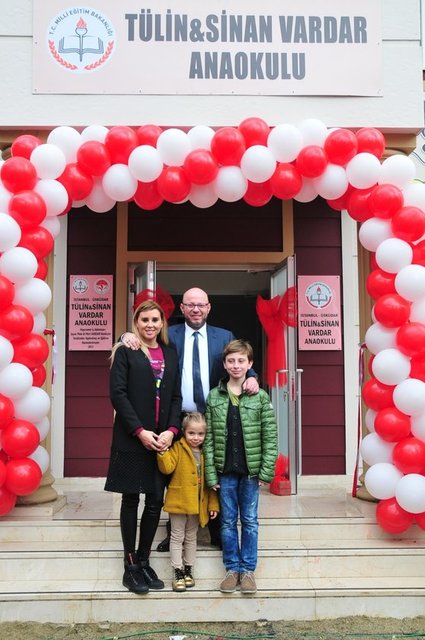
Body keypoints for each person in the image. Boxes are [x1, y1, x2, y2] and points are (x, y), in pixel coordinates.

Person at [121, 286, 259, 551]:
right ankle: (173, 531)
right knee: (177, 475)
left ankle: (216, 531)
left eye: (201, 305)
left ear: (208, 308)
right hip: (177, 416)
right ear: (182, 308)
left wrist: (252, 378)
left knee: (214, 471)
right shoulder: (169, 334)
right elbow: (144, 339)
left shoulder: (224, 336)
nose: (196, 309)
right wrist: (125, 335)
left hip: (214, 416)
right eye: (190, 305)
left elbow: (239, 359)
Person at [105, 299, 182, 595]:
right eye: (144, 319)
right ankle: (130, 566)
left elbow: (175, 396)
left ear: (162, 323)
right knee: (130, 500)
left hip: (161, 441)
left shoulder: (171, 353)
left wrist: (172, 431)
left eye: (155, 320)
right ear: (136, 323)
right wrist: (139, 431)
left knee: (154, 502)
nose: (150, 325)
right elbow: (118, 394)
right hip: (132, 437)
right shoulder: (126, 351)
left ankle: (144, 560)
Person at [204, 339, 278, 595]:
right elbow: (209, 440)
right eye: (231, 361)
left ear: (250, 364)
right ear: (224, 365)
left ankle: (247, 570)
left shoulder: (261, 397)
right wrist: (211, 473)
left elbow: (270, 437)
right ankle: (231, 568)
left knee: (249, 521)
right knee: (227, 522)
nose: (236, 365)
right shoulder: (214, 396)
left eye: (241, 361)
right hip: (225, 472)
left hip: (250, 473)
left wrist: (266, 470)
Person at [157, 411, 219, 592]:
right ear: (184, 431)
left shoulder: (206, 453)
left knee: (191, 537)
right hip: (179, 502)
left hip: (197, 505)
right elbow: (167, 468)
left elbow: (211, 483)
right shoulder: (178, 448)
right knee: (177, 536)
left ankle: (189, 569)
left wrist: (213, 504)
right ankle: (177, 571)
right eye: (191, 433)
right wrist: (162, 452)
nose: (196, 437)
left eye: (200, 434)